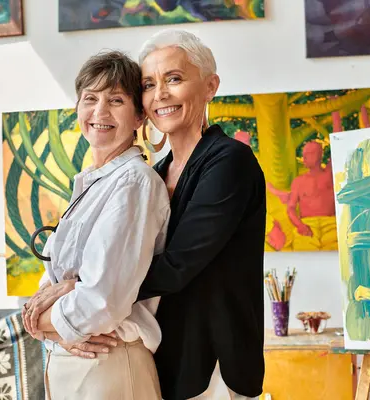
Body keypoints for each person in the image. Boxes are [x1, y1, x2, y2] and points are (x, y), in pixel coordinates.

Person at [24, 29, 267, 400]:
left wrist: (87, 287)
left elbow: (177, 264)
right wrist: (78, 298)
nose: (161, 95)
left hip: (216, 362)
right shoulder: (158, 170)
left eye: (174, 79)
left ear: (210, 85)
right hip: (170, 359)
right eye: (150, 84)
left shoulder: (228, 161)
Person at [23, 50, 171, 400]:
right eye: (90, 98)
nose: (99, 111)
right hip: (78, 363)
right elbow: (48, 285)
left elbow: (101, 302)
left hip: (110, 366)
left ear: (138, 116)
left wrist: (43, 325)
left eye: (115, 100)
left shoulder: (135, 182)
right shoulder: (92, 183)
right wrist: (57, 321)